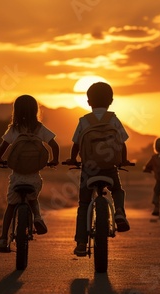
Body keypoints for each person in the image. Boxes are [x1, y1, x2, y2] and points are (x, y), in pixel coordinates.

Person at [64, 82, 131, 257]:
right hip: (109, 168)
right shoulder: (113, 119)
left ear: (88, 101)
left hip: (89, 170)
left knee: (84, 204)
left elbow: (77, 144)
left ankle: (80, 242)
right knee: (117, 189)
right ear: (111, 101)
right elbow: (122, 143)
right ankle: (119, 212)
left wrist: (73, 159)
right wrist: (123, 160)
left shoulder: (84, 120)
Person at [0, 95, 59, 252]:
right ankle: (37, 217)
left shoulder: (14, 129)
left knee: (11, 206)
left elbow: (2, 147)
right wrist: (55, 160)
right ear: (35, 110)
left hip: (17, 177)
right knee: (33, 199)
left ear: (16, 111)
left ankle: (3, 238)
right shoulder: (40, 128)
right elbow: (54, 145)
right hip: (33, 177)